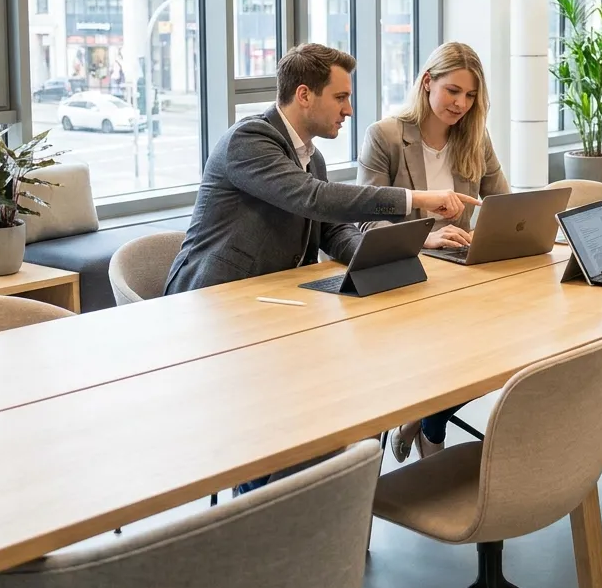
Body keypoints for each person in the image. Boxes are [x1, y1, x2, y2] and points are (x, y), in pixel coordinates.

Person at [165, 42, 479, 296]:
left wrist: (387, 260)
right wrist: (418, 199)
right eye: (340, 97)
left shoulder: (313, 160)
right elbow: (315, 199)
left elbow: (334, 228)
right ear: (304, 95)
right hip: (212, 298)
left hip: (277, 296)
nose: (349, 110)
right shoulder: (248, 141)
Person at [357, 42, 510, 461]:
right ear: (427, 83)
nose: (461, 103)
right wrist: (425, 238)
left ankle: (423, 421)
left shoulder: (475, 139)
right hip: (406, 278)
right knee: (463, 355)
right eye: (453, 91)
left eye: (471, 95)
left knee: (507, 351)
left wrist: (492, 233)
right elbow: (364, 221)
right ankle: (431, 431)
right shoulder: (386, 137)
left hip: (461, 278)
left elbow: (503, 204)